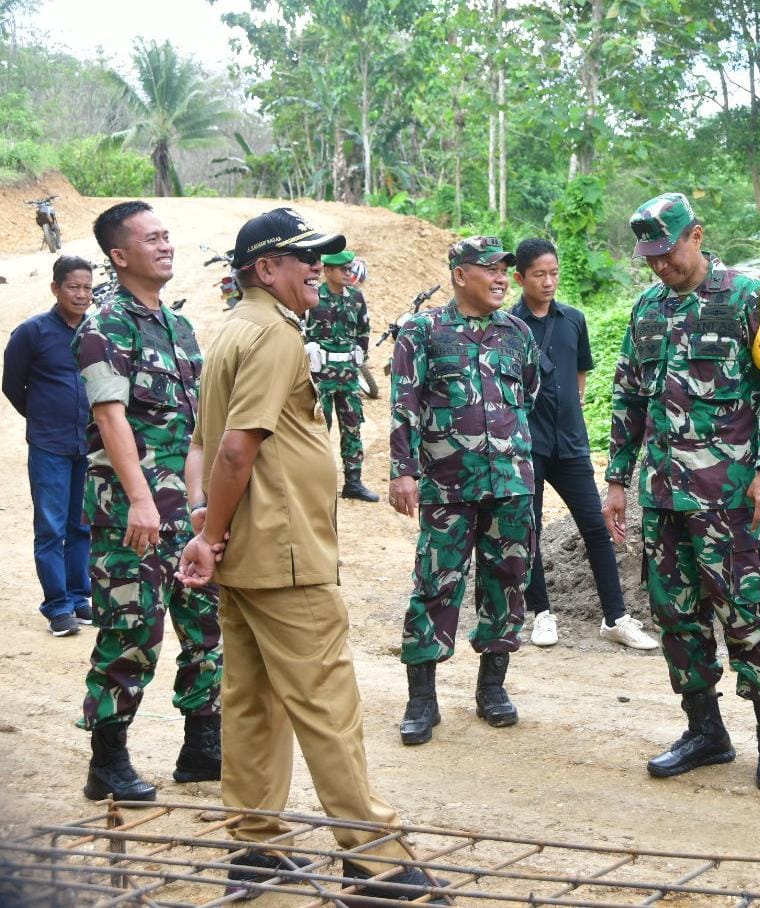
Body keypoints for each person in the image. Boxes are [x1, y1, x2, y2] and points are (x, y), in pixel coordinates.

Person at [176, 208, 445, 901]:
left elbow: (204, 446)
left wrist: (206, 525)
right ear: (266, 269)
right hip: (284, 550)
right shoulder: (272, 335)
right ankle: (375, 859)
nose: (319, 274)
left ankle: (255, 846)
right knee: (325, 699)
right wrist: (207, 534)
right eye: (306, 261)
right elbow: (237, 446)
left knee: (252, 701)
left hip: (247, 548)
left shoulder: (232, 328)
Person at [603, 193, 760, 791]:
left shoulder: (748, 298)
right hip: (664, 498)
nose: (660, 267)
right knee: (676, 618)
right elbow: (629, 399)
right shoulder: (646, 309)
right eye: (649, 258)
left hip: (731, 499)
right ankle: (705, 732)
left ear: (695, 235)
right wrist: (617, 478)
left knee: (746, 616)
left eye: (667, 254)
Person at [73, 201, 223, 801]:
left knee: (206, 623)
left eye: (168, 236)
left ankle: (201, 747)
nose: (166, 245)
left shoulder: (179, 328)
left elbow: (196, 430)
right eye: (151, 238)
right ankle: (107, 762)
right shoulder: (104, 327)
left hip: (184, 510)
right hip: (130, 511)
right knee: (132, 629)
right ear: (119, 254)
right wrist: (141, 500)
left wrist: (201, 504)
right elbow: (110, 417)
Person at [389, 235, 540, 747]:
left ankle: (492, 688)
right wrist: (402, 470)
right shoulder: (423, 330)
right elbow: (405, 403)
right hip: (447, 483)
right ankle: (422, 699)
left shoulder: (518, 332)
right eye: (490, 269)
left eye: (505, 270)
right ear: (460, 275)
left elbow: (530, 393)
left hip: (511, 482)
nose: (502, 278)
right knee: (436, 582)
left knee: (508, 578)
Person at [508, 238, 657, 651]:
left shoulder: (573, 319)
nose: (549, 281)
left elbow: (578, 377)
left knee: (595, 526)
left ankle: (616, 617)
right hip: (529, 445)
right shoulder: (508, 326)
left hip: (570, 444)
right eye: (539, 274)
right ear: (520, 278)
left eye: (554, 273)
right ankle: (541, 614)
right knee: (531, 527)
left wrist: (567, 418)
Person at [4, 255, 94, 637]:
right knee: (51, 527)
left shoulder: (96, 330)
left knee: (82, 525)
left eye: (88, 287)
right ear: (55, 288)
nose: (81, 294)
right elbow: (11, 384)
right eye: (73, 286)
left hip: (89, 443)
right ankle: (57, 607)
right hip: (49, 445)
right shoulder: (32, 332)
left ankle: (79, 597)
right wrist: (41, 417)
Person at [305, 248, 378, 502]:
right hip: (320, 375)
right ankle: (316, 484)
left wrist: (360, 352)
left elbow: (364, 329)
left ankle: (353, 482)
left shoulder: (356, 298)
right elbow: (299, 328)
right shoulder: (313, 297)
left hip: (347, 374)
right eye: (343, 270)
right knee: (318, 428)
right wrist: (306, 349)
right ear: (327, 271)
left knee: (352, 427)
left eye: (350, 269)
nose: (349, 273)